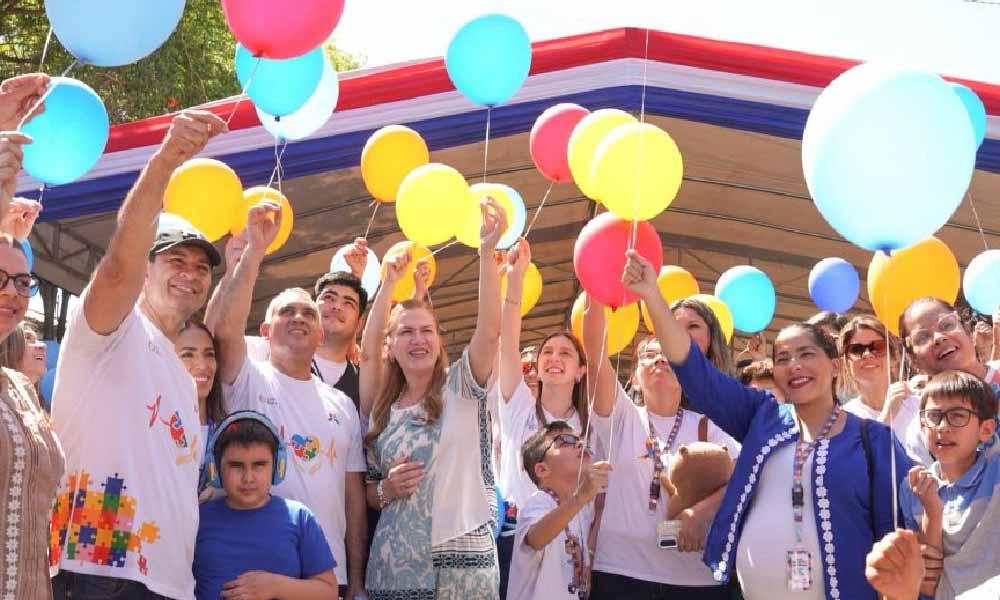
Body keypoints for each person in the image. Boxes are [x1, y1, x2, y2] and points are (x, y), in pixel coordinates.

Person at [624, 249, 911, 600]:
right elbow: (696, 374)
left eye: (807, 354)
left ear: (835, 366)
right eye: (783, 358)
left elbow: (904, 531)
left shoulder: (874, 439)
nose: (794, 366)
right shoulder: (762, 417)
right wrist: (652, 296)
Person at [50, 109, 227, 600]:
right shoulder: (111, 329)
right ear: (145, 270)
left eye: (200, 267)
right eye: (175, 260)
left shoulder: (182, 374)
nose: (190, 274)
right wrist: (165, 161)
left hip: (169, 582)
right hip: (98, 570)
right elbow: (116, 268)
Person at [207, 204, 368, 600]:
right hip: (254, 565)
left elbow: (353, 500)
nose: (299, 318)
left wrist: (357, 581)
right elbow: (224, 327)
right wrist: (253, 254)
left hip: (325, 574)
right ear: (265, 330)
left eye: (308, 314)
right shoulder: (245, 377)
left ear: (319, 334)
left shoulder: (343, 405)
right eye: (286, 312)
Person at [359, 198, 505, 599]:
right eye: (406, 332)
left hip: (462, 575)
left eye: (427, 330)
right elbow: (371, 490)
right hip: (396, 571)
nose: (418, 339)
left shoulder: (462, 384)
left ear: (440, 340)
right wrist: (388, 284)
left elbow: (490, 332)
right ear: (392, 346)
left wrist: (487, 253)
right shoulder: (381, 407)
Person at [583, 298, 739, 600]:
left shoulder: (711, 423)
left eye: (668, 354)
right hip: (621, 572)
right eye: (649, 356)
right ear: (636, 379)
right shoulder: (621, 417)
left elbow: (746, 475)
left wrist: (701, 513)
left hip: (695, 579)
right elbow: (595, 355)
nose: (659, 360)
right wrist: (596, 290)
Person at [495, 238, 593, 598]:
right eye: (546, 352)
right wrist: (515, 277)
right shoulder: (517, 407)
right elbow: (507, 340)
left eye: (565, 352)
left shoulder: (590, 425)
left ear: (581, 370)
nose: (554, 357)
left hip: (573, 545)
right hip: (516, 540)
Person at [194, 411, 338, 599]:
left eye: (259, 465)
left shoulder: (299, 517)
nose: (248, 478)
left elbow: (328, 592)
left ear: (278, 466)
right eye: (236, 466)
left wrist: (275, 586)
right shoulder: (197, 519)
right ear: (215, 468)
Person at [900, 371, 999, 599]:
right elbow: (926, 580)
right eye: (934, 416)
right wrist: (932, 511)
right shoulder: (913, 487)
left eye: (958, 416)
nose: (943, 427)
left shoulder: (995, 474)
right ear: (922, 426)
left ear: (986, 430)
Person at [508, 422, 611, 600]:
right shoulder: (539, 502)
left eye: (580, 439)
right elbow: (535, 538)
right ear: (542, 469)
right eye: (565, 441)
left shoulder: (580, 511)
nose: (580, 443)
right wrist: (581, 497)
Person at [898, 297, 1000, 466]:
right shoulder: (923, 431)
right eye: (923, 337)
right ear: (913, 359)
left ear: (967, 329)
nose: (939, 338)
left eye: (946, 325)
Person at [840, 315, 918, 437]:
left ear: (894, 358)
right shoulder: (842, 419)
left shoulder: (919, 405)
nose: (867, 354)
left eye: (878, 347)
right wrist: (887, 416)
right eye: (856, 349)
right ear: (845, 363)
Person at [173, 319, 226, 496]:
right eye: (188, 355)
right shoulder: (152, 431)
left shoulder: (228, 434)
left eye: (209, 354)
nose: (202, 365)